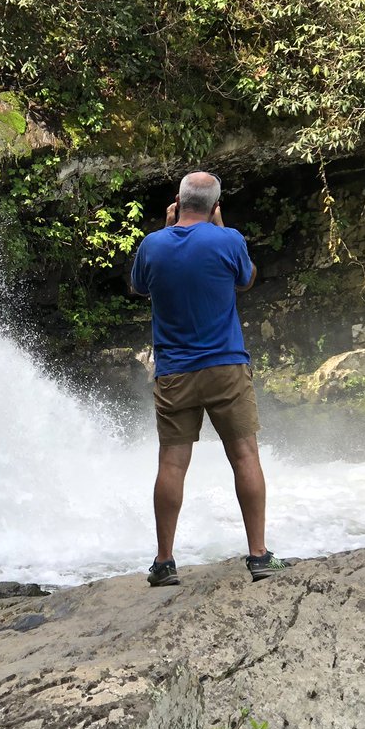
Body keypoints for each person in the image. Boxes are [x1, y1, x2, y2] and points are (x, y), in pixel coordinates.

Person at [130, 170, 288, 587]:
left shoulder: (152, 245)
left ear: (177, 203)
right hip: (225, 367)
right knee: (244, 455)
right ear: (216, 206)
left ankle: (164, 562)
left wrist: (165, 231)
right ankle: (258, 557)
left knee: (171, 463)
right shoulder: (229, 239)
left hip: (174, 373)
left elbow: (141, 287)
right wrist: (221, 228)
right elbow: (246, 279)